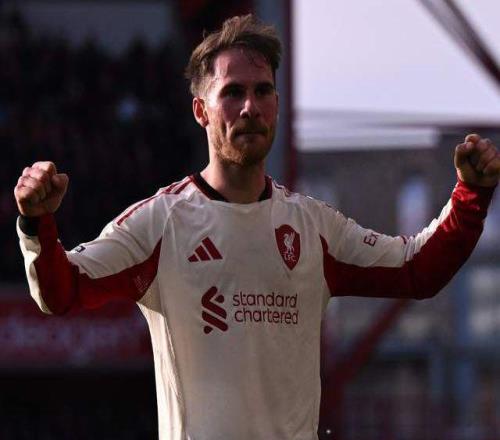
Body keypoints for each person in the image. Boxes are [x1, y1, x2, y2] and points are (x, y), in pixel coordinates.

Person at [14, 14, 500, 440]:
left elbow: (418, 269)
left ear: (277, 104)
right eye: (233, 92)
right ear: (201, 111)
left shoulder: (313, 226)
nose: (250, 107)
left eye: (262, 90)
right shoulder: (160, 223)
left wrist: (471, 194)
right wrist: (37, 223)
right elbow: (62, 291)